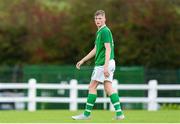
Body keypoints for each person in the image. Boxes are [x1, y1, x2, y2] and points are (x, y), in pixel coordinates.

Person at [72, 10, 125, 120]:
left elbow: (108, 49)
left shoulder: (105, 31)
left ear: (105, 19)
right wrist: (83, 60)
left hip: (103, 64)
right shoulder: (100, 32)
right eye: (96, 19)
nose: (98, 20)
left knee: (92, 86)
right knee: (108, 88)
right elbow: (96, 49)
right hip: (109, 62)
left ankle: (86, 114)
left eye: (100, 18)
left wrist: (105, 66)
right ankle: (120, 114)